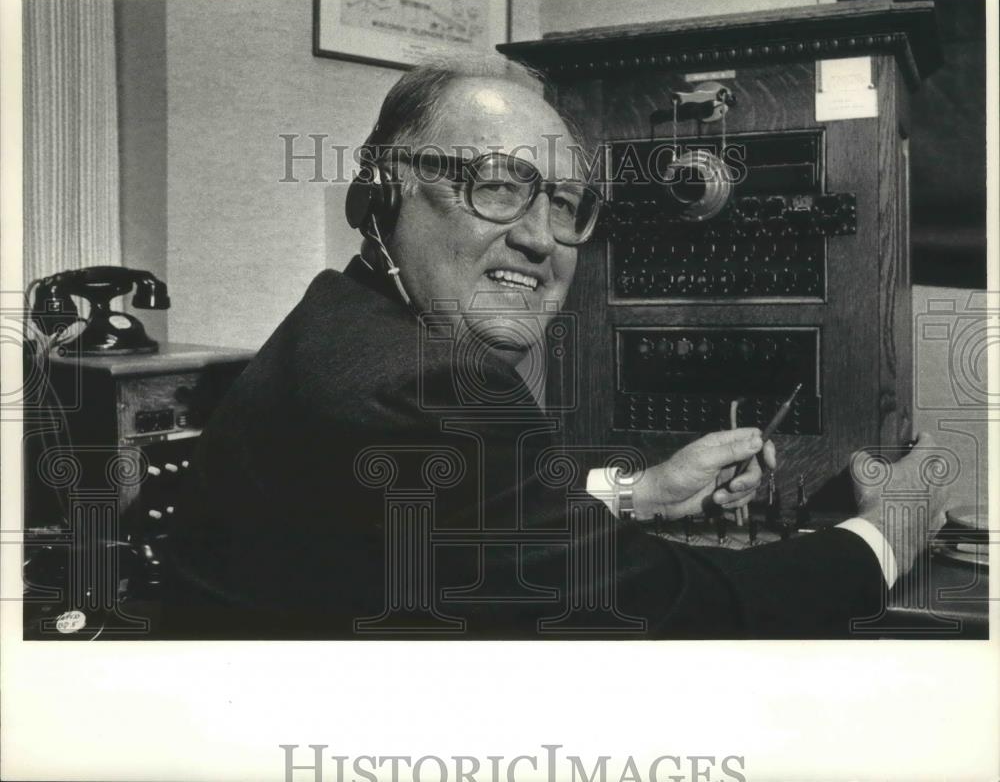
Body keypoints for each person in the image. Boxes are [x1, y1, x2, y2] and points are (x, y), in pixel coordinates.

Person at [166, 56, 948, 639]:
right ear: (380, 196)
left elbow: (483, 510)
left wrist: (646, 489)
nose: (541, 239)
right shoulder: (428, 387)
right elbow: (681, 611)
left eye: (566, 202)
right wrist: (885, 536)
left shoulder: (341, 319)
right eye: (498, 186)